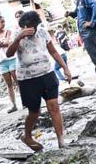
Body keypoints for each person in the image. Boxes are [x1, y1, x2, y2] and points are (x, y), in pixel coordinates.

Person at [7, 10, 73, 151]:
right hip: (27, 79)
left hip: (47, 73)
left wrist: (65, 68)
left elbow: (53, 51)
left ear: (37, 25)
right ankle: (27, 136)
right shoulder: (16, 34)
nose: (29, 29)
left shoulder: (43, 32)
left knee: (54, 106)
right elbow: (9, 53)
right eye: (25, 26)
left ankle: (61, 141)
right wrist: (18, 38)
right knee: (34, 112)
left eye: (32, 26)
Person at [0, 16, 19, 112]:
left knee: (18, 82)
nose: (4, 23)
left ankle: (26, 102)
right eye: (2, 22)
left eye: (4, 21)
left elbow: (9, 43)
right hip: (1, 62)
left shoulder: (8, 31)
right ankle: (13, 105)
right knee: (9, 85)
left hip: (11, 59)